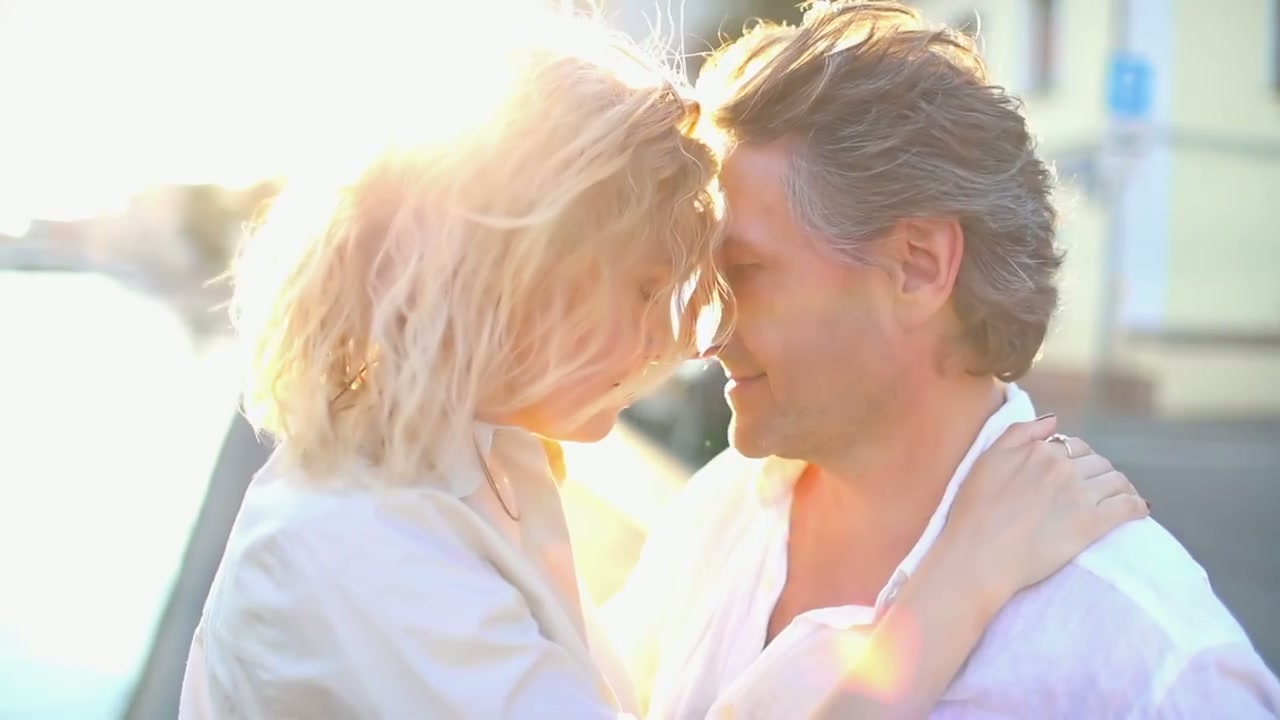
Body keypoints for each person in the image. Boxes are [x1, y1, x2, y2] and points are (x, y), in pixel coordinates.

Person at [177, 7, 1146, 719]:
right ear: (519, 278)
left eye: (735, 276)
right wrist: (951, 590)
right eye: (647, 286)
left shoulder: (482, 470)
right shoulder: (356, 551)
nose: (681, 336)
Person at [603, 3, 1280, 718]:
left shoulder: (1152, 662)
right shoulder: (719, 511)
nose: (704, 337)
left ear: (918, 266)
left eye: (745, 272)